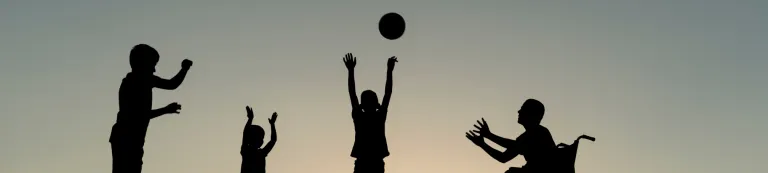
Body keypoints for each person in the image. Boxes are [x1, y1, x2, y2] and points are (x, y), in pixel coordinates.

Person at [109, 44, 192, 173]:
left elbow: (171, 84)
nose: (154, 70)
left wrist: (184, 70)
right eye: (152, 65)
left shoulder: (146, 80)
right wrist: (165, 110)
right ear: (142, 64)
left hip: (131, 139)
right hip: (125, 139)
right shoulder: (132, 83)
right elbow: (138, 115)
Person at [466, 99, 556, 173]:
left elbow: (515, 146)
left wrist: (488, 136)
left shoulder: (540, 133)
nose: (519, 111)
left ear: (532, 114)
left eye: (523, 109)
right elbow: (503, 157)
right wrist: (483, 143)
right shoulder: (524, 137)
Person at [343, 53, 398, 173]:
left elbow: (387, 93)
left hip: (373, 162)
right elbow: (352, 94)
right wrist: (350, 71)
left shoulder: (375, 116)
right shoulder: (368, 116)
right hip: (367, 162)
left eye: (370, 99)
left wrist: (389, 70)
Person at [241, 106, 278, 173]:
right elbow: (245, 134)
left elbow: (273, 140)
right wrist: (250, 119)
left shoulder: (259, 153)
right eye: (260, 137)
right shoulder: (247, 150)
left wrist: (272, 125)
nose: (262, 140)